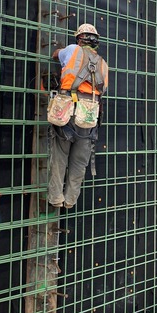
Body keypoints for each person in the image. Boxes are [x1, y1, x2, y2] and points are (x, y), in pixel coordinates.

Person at [48, 23, 109, 209]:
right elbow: (103, 90)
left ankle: (55, 197)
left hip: (67, 109)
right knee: (80, 160)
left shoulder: (72, 50)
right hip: (89, 114)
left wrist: (59, 51)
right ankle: (70, 200)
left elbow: (55, 55)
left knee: (60, 155)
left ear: (79, 38)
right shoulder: (103, 64)